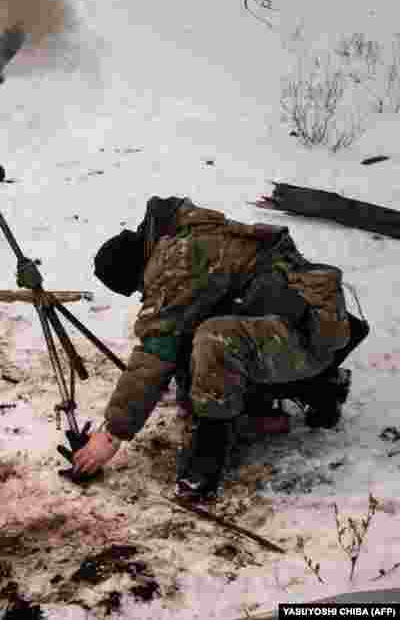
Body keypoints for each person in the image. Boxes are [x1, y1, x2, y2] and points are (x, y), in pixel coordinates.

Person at [74, 196, 369, 499]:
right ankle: (313, 391)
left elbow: (154, 354)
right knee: (193, 347)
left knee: (213, 341)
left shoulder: (177, 262)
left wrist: (111, 435)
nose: (143, 292)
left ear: (136, 270)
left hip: (305, 336)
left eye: (138, 288)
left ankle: (206, 465)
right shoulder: (177, 238)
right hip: (291, 322)